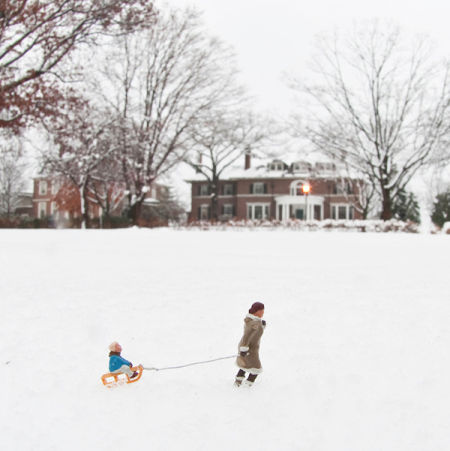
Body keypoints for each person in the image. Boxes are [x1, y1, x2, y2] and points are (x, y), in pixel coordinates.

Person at [235, 302, 266, 387]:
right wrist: (244, 349)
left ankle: (238, 382)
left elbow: (256, 333)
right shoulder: (254, 324)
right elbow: (247, 336)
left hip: (248, 348)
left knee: (245, 365)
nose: (263, 313)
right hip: (249, 349)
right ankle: (248, 385)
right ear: (257, 311)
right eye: (262, 311)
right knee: (256, 368)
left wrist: (262, 326)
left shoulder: (253, 321)